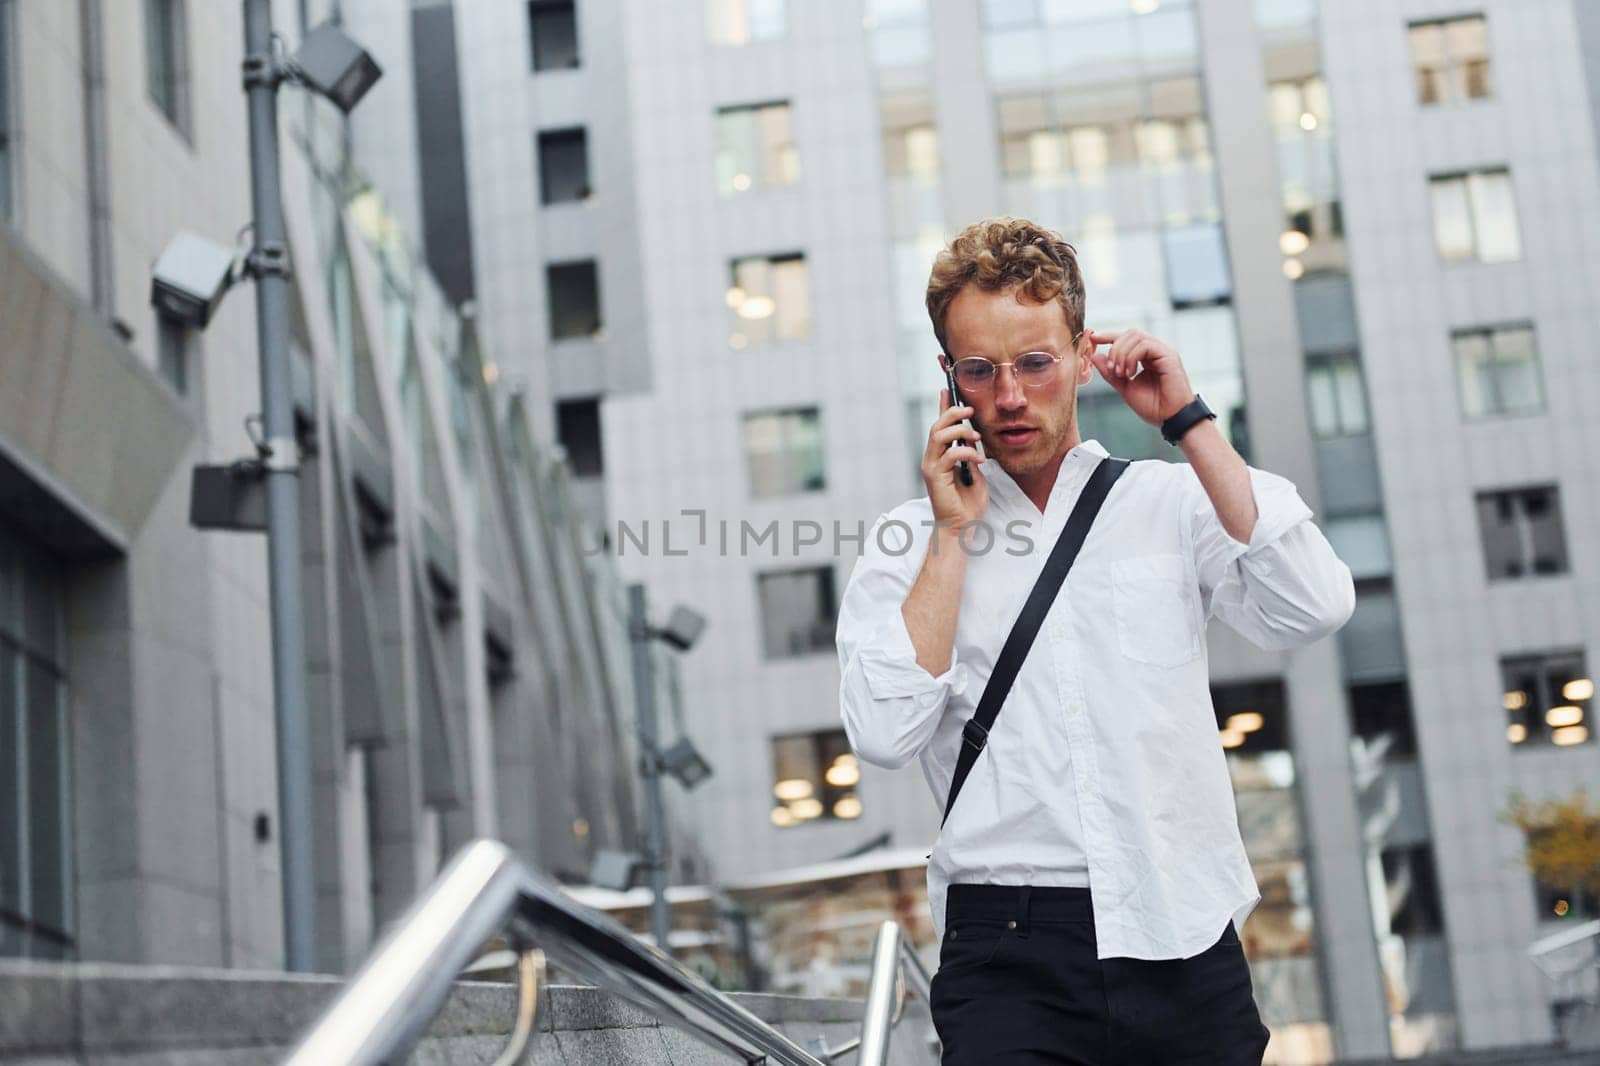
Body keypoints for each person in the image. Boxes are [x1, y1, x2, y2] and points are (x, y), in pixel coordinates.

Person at [835, 217, 1355, 1064]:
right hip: (1007, 955)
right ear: (948, 378)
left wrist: (1188, 420)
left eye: (1035, 363)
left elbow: (1314, 602)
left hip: (1181, 938)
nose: (1009, 396)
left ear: (1084, 354)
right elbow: (883, 731)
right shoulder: (911, 542)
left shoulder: (1170, 503)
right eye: (981, 369)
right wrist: (952, 535)